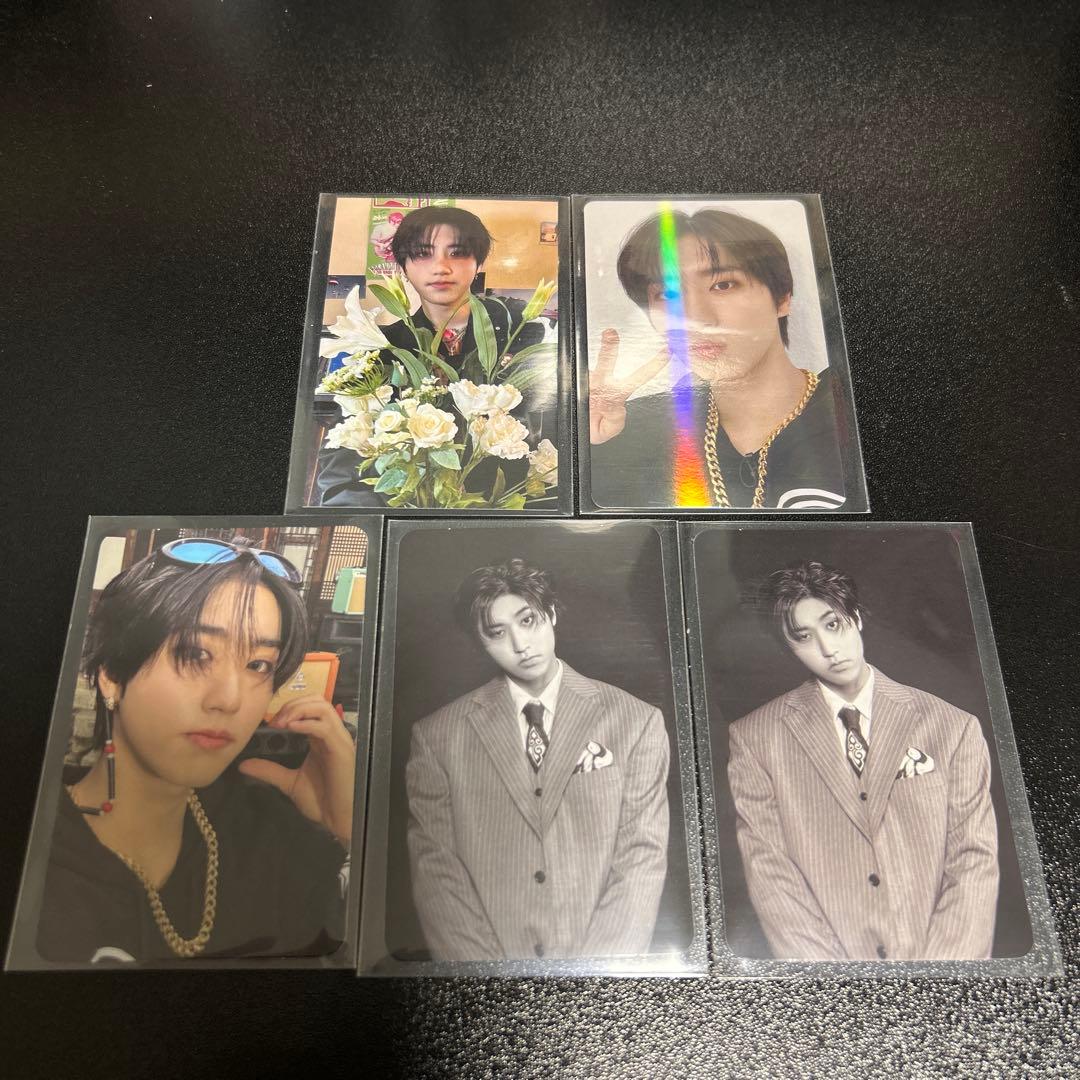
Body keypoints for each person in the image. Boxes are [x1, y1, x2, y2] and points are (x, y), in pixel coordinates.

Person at [37, 536, 356, 964]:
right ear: (112, 673)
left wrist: (345, 831)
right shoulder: (36, 857)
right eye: (195, 653)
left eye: (258, 664)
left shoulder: (271, 835)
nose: (230, 699)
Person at [727, 560, 999, 961]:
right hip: (830, 979)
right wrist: (838, 986)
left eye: (833, 624)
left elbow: (973, 861)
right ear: (789, 648)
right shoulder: (754, 738)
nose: (828, 649)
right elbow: (770, 873)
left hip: (942, 970)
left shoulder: (953, 726)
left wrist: (940, 980)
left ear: (855, 617)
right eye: (804, 637)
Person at [405, 559, 670, 961]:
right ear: (479, 642)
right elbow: (437, 873)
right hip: (488, 974)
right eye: (497, 633)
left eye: (527, 620)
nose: (520, 644)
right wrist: (490, 982)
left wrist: (597, 979)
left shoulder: (637, 720)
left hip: (602, 970)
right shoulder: (436, 736)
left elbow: (641, 858)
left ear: (551, 614)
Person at [588, 207, 845, 510]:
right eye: (668, 295)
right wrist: (593, 448)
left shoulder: (846, 408)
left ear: (782, 298)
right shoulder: (634, 428)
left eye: (723, 285)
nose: (695, 318)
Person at [316, 205, 550, 506]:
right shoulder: (381, 351)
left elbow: (550, 436)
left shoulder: (523, 336)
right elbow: (342, 461)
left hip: (507, 515)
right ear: (403, 266)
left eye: (458, 253)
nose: (441, 267)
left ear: (478, 262)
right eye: (422, 254)